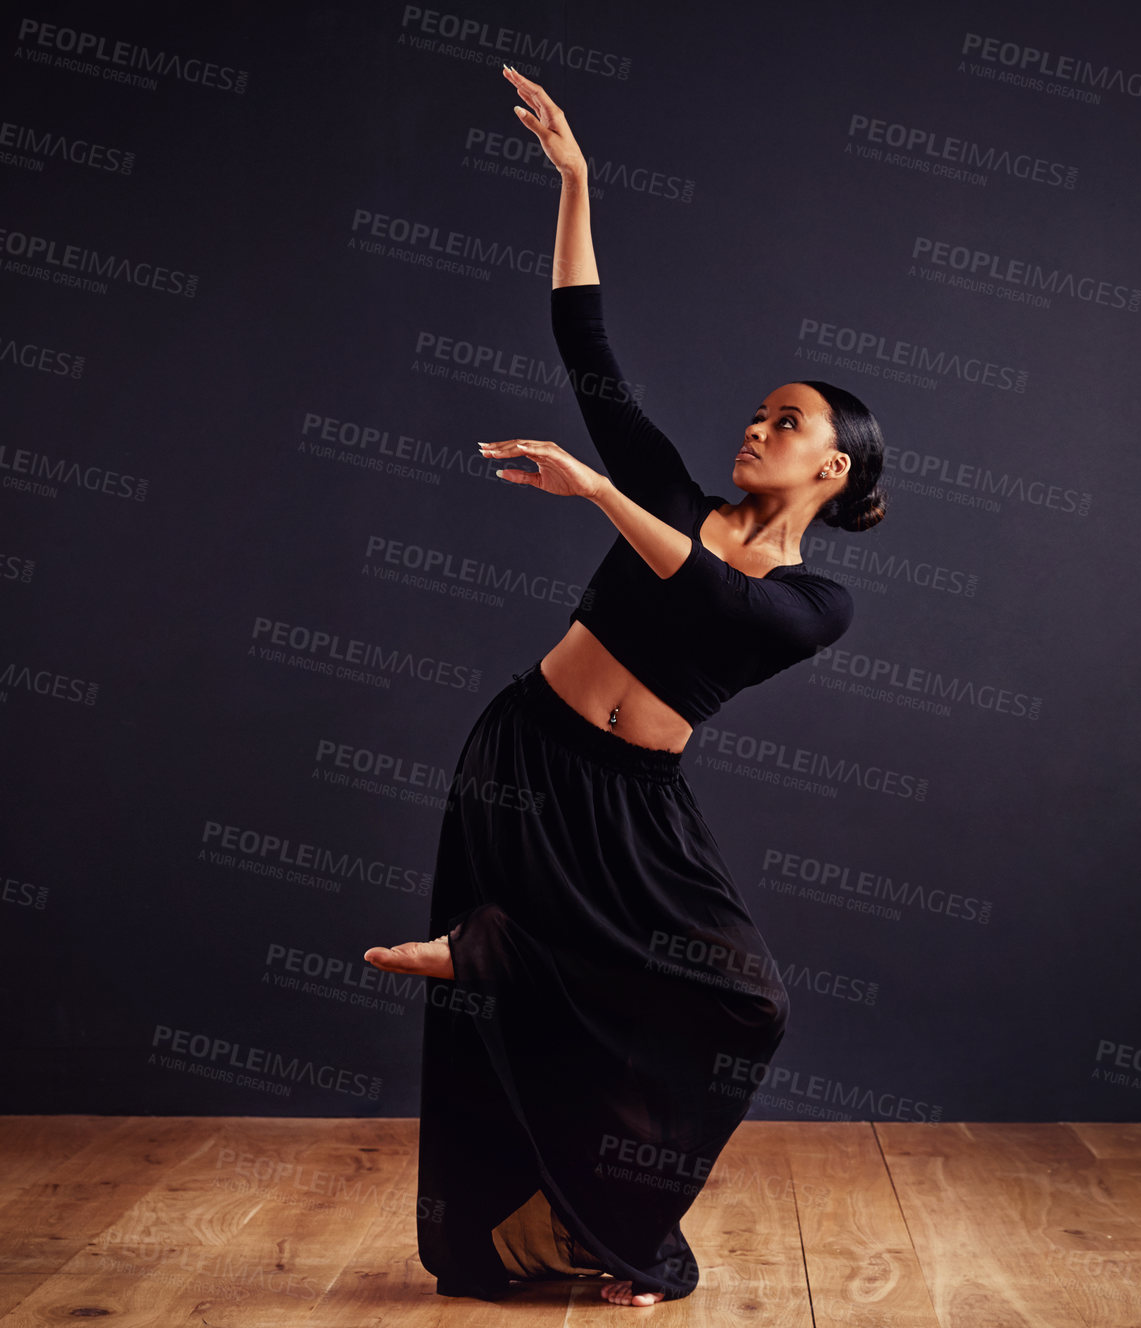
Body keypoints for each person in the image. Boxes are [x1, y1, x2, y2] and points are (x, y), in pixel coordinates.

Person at [363, 65, 888, 1307]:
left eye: (788, 419)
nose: (757, 426)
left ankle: (584, 1197)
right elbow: (585, 344)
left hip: (637, 805)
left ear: (837, 469)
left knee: (740, 1002)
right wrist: (577, 182)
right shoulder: (676, 489)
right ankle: (500, 952)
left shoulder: (821, 602)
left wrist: (600, 493)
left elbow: (720, 605)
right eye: (759, 410)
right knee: (619, 991)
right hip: (527, 760)